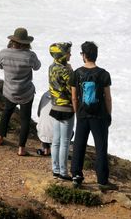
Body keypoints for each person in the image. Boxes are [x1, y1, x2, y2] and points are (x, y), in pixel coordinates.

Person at [69, 41, 114, 191]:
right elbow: (107, 97)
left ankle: (76, 175)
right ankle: (102, 180)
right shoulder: (103, 74)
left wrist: (77, 112)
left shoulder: (76, 73)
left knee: (79, 145)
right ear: (96, 55)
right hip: (99, 116)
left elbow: (74, 97)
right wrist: (108, 114)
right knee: (101, 147)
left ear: (84, 55)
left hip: (82, 114)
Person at [0, 27, 41, 156]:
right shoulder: (30, 56)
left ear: (13, 40)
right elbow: (37, 67)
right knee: (25, 119)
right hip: (25, 92)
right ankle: (21, 148)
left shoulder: (4, 53)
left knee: (6, 113)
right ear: (26, 42)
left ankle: (0, 138)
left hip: (10, 91)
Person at [48, 41, 74, 180]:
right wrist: (70, 70)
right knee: (65, 142)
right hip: (66, 108)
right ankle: (64, 172)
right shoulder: (65, 70)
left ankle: (55, 170)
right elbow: (73, 89)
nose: (70, 54)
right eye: (68, 52)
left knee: (56, 141)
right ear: (62, 55)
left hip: (55, 106)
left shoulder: (51, 67)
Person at [35, 90, 53, 156]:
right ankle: (58, 151)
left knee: (44, 124)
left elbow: (39, 113)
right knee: (71, 131)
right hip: (57, 135)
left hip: (42, 132)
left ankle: (46, 149)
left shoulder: (45, 94)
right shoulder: (65, 97)